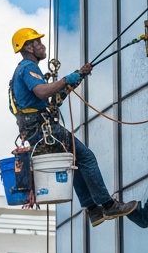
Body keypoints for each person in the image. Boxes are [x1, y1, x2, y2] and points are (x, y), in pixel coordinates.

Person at [10, 27, 138, 226]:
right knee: (86, 157)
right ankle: (108, 205)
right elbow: (43, 92)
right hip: (42, 128)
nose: (42, 46)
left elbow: (51, 101)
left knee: (75, 160)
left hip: (36, 129)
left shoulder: (23, 70)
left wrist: (78, 76)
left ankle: (93, 210)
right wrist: (64, 81)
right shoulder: (28, 67)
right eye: (37, 42)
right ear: (28, 47)